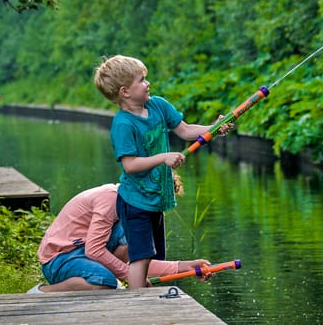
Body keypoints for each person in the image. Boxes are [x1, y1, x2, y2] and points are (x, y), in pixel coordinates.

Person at [93, 55, 234, 289]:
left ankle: (149, 301)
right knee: (140, 257)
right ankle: (139, 305)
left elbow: (186, 130)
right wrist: (163, 158)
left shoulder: (157, 105)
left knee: (155, 255)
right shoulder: (123, 125)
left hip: (155, 199)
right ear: (125, 91)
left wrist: (214, 129)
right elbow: (130, 164)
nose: (148, 83)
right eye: (142, 80)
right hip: (135, 201)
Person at [27, 183, 211, 293]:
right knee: (105, 282)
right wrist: (127, 276)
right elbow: (94, 249)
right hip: (60, 258)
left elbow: (136, 262)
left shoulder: (130, 208)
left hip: (86, 255)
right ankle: (43, 292)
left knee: (127, 250)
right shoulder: (109, 200)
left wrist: (184, 266)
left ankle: (99, 279)